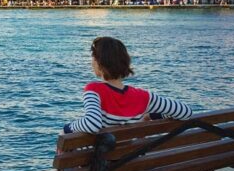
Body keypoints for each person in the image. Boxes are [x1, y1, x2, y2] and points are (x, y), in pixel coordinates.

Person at [64, 37, 192, 134]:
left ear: (99, 63)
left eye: (93, 58)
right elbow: (185, 112)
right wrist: (151, 115)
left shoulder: (94, 90)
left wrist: (67, 128)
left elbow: (92, 124)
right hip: (132, 163)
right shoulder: (143, 97)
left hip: (102, 165)